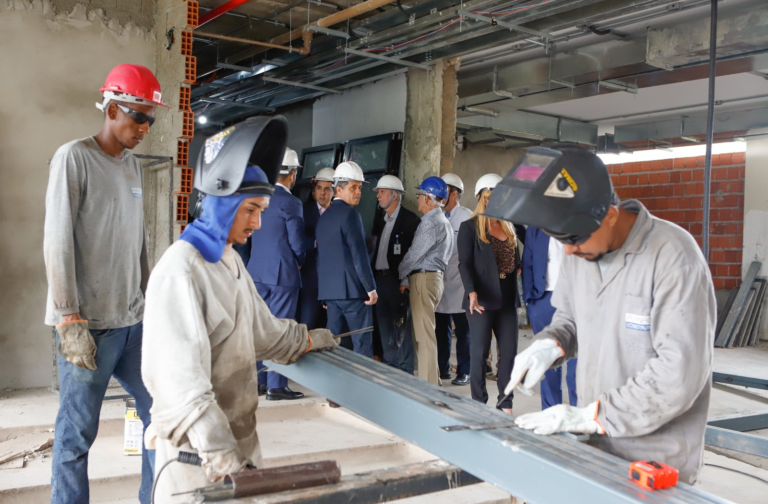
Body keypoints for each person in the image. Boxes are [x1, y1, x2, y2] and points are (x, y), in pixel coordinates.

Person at [487, 144, 715, 484]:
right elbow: (569, 319)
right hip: (597, 447)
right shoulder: (580, 255)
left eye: (575, 238)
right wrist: (551, 344)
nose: (568, 250)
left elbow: (678, 374)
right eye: (560, 239)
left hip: (654, 459)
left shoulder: (674, 259)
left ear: (610, 214)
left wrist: (593, 415)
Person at [141, 116, 339, 503]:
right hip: (196, 461)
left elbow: (260, 330)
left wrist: (304, 338)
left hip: (238, 448)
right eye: (250, 209)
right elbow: (181, 385)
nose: (258, 222)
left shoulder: (228, 261)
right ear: (221, 202)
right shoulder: (181, 271)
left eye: (262, 210)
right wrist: (219, 451)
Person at [43, 64, 166, 504]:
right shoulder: (73, 158)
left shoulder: (132, 166)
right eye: (140, 117)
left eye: (151, 119)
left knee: (163, 412)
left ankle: (155, 498)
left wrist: (153, 301)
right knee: (76, 435)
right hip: (88, 327)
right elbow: (57, 239)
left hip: (133, 323)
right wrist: (68, 315)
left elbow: (140, 241)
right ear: (113, 109)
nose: (145, 128)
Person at [458, 174, 524, 414]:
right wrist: (471, 291)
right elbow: (464, 263)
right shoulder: (469, 228)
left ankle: (505, 402)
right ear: (481, 199)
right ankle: (479, 403)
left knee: (509, 353)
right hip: (481, 299)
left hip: (507, 297)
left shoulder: (511, 226)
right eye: (489, 198)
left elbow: (534, 245)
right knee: (480, 353)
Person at [248, 147, 306, 401]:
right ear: (292, 174)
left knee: (259, 328)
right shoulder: (291, 202)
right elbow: (298, 244)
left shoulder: (258, 197)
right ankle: (276, 385)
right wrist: (301, 260)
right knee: (280, 330)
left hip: (256, 272)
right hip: (282, 275)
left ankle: (258, 381)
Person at [316, 161, 378, 358]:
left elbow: (322, 259)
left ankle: (334, 386)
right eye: (353, 187)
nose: (358, 192)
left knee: (333, 343)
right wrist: (370, 288)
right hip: (353, 292)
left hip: (331, 294)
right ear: (339, 189)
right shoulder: (351, 215)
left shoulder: (323, 218)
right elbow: (358, 255)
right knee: (362, 342)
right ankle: (362, 387)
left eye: (359, 187)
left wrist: (325, 294)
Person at [397, 176, 453, 385]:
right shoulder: (442, 221)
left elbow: (414, 255)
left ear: (430, 199)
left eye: (420, 194)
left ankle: (428, 389)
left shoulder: (432, 223)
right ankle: (432, 381)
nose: (418, 198)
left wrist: (400, 273)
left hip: (424, 278)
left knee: (424, 335)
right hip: (433, 278)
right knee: (424, 332)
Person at [522, 226, 577, 409]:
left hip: (574, 298)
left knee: (577, 361)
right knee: (547, 360)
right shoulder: (535, 229)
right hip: (543, 298)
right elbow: (527, 263)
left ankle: (579, 412)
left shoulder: (579, 224)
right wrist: (531, 300)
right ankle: (551, 410)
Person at [371, 175, 421, 374]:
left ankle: (406, 367)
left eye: (382, 192)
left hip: (399, 281)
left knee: (403, 324)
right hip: (380, 279)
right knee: (383, 322)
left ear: (395, 195)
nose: (378, 196)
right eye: (379, 192)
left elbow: (414, 254)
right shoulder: (380, 220)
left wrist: (406, 278)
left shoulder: (410, 221)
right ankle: (390, 364)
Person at [435, 174, 473, 386]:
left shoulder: (467, 217)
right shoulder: (437, 216)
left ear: (455, 193)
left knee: (463, 332)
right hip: (441, 281)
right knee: (441, 330)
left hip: (460, 283)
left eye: (445, 191)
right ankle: (443, 368)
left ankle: (464, 371)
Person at [297, 167, 335, 331]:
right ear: (313, 191)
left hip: (334, 281)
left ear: (335, 191)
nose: (322, 192)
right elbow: (295, 239)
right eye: (319, 188)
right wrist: (316, 241)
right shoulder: (303, 212)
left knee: (332, 329)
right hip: (310, 279)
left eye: (327, 189)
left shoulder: (340, 212)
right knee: (307, 323)